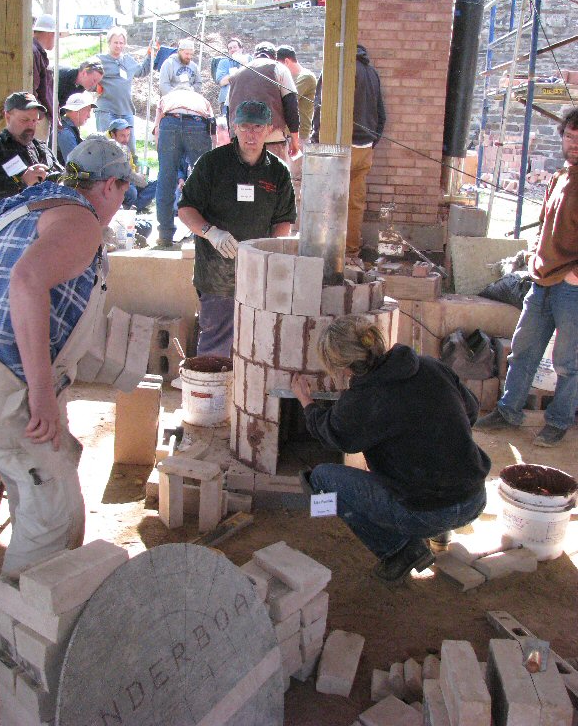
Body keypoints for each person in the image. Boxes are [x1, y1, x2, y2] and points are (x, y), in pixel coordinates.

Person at [0, 135, 132, 660]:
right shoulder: (82, 218)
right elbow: (26, 282)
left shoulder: (32, 200)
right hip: (8, 384)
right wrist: (42, 395)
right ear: (109, 185)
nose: (119, 206)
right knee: (53, 512)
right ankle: (13, 649)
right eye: (122, 193)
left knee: (35, 481)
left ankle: (27, 628)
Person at [291, 315, 491, 585]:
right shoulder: (431, 366)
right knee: (430, 467)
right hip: (473, 497)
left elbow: (333, 435)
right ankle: (439, 535)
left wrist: (306, 401)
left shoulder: (364, 399)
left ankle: (399, 551)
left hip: (427, 510)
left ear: (343, 367)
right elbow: (471, 411)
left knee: (320, 481)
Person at [475, 107, 578, 447]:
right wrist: (535, 255)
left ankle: (558, 421)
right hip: (542, 279)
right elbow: (546, 223)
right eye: (569, 136)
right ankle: (509, 412)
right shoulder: (561, 175)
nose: (573, 143)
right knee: (523, 352)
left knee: (567, 362)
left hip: (572, 286)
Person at [178, 100, 296, 356]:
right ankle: (210, 394)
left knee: (257, 344)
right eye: (244, 127)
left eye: (257, 127)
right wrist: (211, 232)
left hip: (257, 274)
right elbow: (186, 208)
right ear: (234, 127)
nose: (250, 134)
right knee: (216, 344)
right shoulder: (212, 164)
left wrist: (270, 254)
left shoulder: (278, 172)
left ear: (269, 129)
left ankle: (244, 395)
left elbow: (283, 221)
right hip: (217, 273)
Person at [311, 44, 386, 259]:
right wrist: (372, 142)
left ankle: (325, 254)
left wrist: (317, 140)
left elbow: (320, 107)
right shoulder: (372, 73)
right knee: (354, 203)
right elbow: (382, 115)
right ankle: (351, 253)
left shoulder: (337, 68)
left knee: (329, 201)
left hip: (340, 148)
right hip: (364, 149)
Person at [0, 91, 63, 233]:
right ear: (7, 117)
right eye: (24, 120)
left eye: (34, 120)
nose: (31, 126)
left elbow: (61, 177)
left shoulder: (41, 148)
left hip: (37, 232)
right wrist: (20, 181)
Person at [153, 88, 215, 248]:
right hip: (197, 122)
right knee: (204, 179)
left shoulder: (166, 98)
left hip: (169, 121)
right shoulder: (202, 99)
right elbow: (212, 128)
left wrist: (162, 156)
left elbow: (157, 129)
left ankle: (164, 236)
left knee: (165, 179)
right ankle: (203, 233)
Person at [227, 41, 300, 163]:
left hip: (243, 141)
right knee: (273, 181)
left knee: (245, 181)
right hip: (272, 139)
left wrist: (232, 138)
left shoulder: (236, 74)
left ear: (255, 55)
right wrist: (295, 141)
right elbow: (291, 105)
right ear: (274, 56)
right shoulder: (279, 68)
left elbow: (228, 109)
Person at [96, 26, 154, 155]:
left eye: (121, 43)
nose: (118, 46)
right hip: (106, 110)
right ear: (109, 43)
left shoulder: (128, 60)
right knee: (106, 146)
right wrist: (94, 87)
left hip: (126, 111)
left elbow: (142, 71)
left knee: (130, 148)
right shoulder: (100, 60)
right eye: (115, 42)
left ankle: (131, 172)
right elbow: (86, 75)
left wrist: (150, 55)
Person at [106, 118, 156, 214]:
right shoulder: (108, 148)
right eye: (122, 136)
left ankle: (133, 207)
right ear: (112, 135)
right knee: (132, 192)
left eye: (128, 135)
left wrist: (138, 174)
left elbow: (131, 166)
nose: (126, 139)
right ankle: (132, 208)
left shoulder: (125, 147)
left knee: (156, 184)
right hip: (119, 181)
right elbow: (120, 173)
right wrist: (135, 177)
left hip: (130, 178)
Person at [276, 45, 316, 142]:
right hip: (287, 134)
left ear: (286, 61)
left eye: (278, 64)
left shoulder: (306, 77)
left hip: (299, 136)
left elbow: (287, 100)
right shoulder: (287, 78)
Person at [32, 14, 57, 142]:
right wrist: (39, 113)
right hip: (37, 117)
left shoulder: (37, 51)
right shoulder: (35, 52)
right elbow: (33, 87)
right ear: (50, 33)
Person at [215, 37, 251, 117]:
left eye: (235, 47)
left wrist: (242, 62)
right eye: (230, 48)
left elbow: (252, 76)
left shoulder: (249, 59)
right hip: (227, 101)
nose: (232, 50)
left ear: (241, 48)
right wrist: (239, 73)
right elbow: (222, 81)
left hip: (246, 99)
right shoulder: (224, 62)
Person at [57, 92, 97, 163]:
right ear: (77, 110)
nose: (89, 116)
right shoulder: (66, 133)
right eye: (88, 111)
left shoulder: (68, 128)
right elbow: (73, 164)